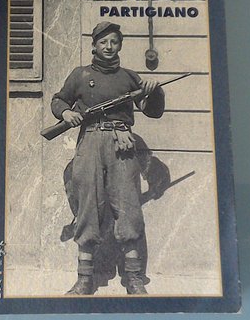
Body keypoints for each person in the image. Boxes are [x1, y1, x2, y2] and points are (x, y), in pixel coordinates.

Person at [51, 21, 165, 295]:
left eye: (114, 41)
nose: (109, 46)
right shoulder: (80, 75)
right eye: (103, 42)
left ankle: (134, 278)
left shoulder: (129, 77)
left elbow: (152, 111)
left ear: (120, 45)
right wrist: (66, 113)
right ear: (94, 45)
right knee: (88, 206)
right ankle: (84, 280)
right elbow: (58, 100)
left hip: (121, 144)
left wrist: (155, 91)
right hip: (90, 141)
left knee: (128, 208)